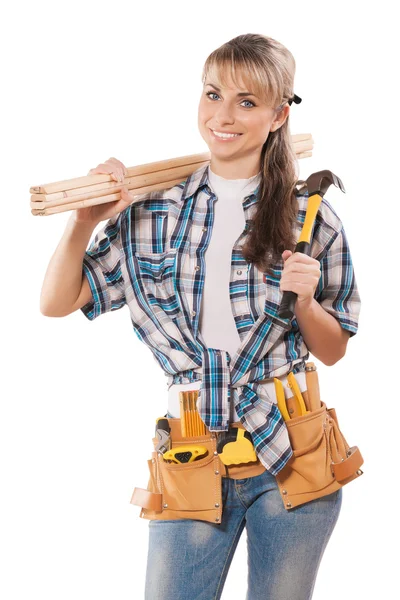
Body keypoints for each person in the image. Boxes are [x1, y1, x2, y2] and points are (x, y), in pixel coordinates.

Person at [40, 33, 361, 600]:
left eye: (247, 101)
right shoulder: (152, 213)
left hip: (293, 449)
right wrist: (83, 221)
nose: (223, 115)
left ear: (279, 114)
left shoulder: (309, 216)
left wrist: (306, 302)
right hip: (192, 451)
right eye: (213, 95)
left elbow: (334, 348)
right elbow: (57, 302)